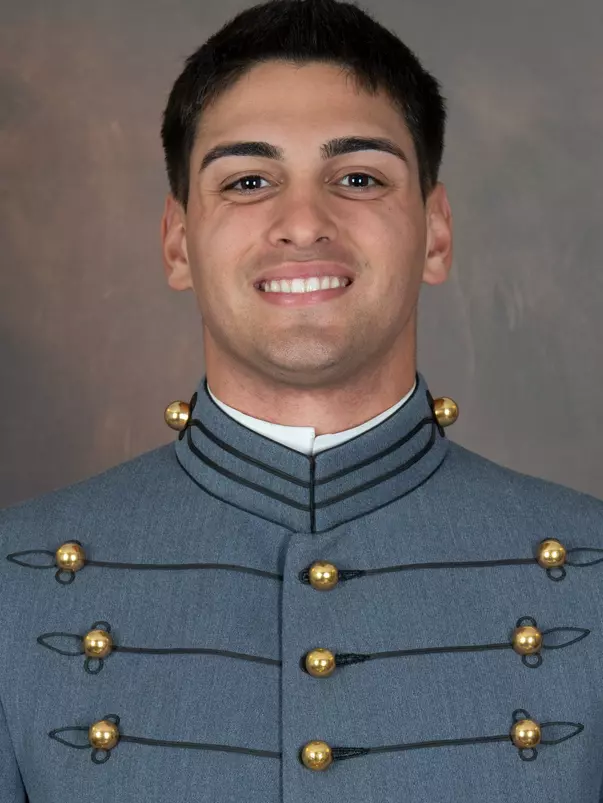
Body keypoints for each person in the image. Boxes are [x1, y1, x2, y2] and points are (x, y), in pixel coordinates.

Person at [1, 0, 602, 800]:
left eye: (357, 177)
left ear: (435, 232)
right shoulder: (18, 580)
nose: (302, 223)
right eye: (248, 181)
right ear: (178, 241)